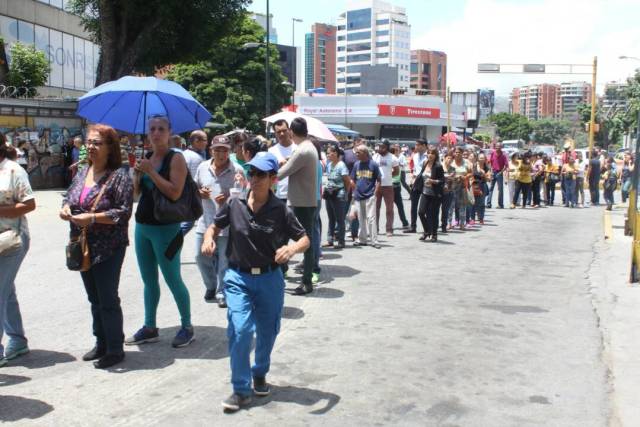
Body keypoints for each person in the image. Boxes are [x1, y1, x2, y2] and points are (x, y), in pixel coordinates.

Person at [201, 152, 310, 412]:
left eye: (261, 174)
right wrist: (209, 237)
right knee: (240, 330)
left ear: (273, 179)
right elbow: (214, 226)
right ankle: (240, 389)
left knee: (268, 330)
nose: (255, 178)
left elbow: (305, 239)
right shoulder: (234, 202)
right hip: (238, 276)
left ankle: (259, 372)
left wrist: (292, 250)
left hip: (270, 278)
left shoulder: (281, 210)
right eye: (252, 173)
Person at [60, 124, 133, 369]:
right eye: (89, 142)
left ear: (110, 147)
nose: (90, 147)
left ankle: (115, 348)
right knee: (93, 297)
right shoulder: (83, 171)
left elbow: (122, 213)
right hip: (83, 244)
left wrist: (91, 218)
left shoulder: (120, 175)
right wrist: (66, 208)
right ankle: (101, 342)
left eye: (96, 143)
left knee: (107, 297)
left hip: (109, 246)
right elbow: (70, 196)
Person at [127, 115, 194, 348]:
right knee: (149, 281)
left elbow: (175, 192)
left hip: (166, 228)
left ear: (169, 132)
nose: (156, 133)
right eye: (152, 129)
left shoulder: (176, 158)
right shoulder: (147, 157)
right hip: (143, 226)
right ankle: (150, 326)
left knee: (173, 278)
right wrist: (137, 174)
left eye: (161, 129)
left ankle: (187, 326)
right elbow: (138, 194)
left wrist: (152, 173)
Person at [194, 135, 244, 307]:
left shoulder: (237, 170)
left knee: (224, 260)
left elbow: (244, 197)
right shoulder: (202, 167)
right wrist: (200, 193)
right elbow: (194, 188)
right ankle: (211, 285)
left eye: (225, 150)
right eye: (218, 150)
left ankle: (222, 291)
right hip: (205, 219)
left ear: (229, 152)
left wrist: (230, 197)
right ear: (211, 151)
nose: (221, 154)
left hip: (226, 223)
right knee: (200, 256)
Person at [0, 136, 36, 368]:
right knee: (6, 290)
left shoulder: (13, 171)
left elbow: (30, 204)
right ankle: (18, 339)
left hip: (13, 239)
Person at [276, 118, 318, 295]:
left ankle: (306, 281)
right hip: (304, 201)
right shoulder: (309, 147)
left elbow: (282, 173)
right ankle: (281, 271)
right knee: (287, 237)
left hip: (301, 203)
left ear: (292, 132)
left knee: (305, 242)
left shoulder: (302, 150)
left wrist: (266, 174)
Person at [351, 144, 381, 248]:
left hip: (370, 195)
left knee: (371, 219)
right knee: (361, 219)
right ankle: (362, 239)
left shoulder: (373, 164)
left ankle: (374, 241)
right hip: (358, 196)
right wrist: (354, 191)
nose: (356, 154)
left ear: (365, 153)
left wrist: (375, 192)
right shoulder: (356, 164)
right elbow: (353, 179)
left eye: (358, 152)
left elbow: (379, 180)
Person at [180, 130, 208, 236]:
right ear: (196, 141)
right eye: (205, 140)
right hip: (190, 196)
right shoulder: (196, 158)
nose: (207, 142)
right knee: (188, 222)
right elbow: (196, 179)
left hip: (184, 195)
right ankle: (170, 244)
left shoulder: (185, 154)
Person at [323, 144, 350, 249]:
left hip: (339, 195)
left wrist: (346, 193)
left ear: (335, 153)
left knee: (340, 219)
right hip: (329, 194)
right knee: (331, 218)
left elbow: (347, 181)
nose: (328, 155)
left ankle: (341, 241)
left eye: (329, 152)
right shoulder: (329, 165)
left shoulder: (341, 165)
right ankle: (330, 240)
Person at [417, 147, 444, 242]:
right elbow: (421, 174)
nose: (430, 155)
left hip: (435, 194)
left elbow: (442, 181)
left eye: (432, 153)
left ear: (436, 155)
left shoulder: (438, 166)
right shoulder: (425, 163)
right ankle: (427, 231)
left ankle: (434, 234)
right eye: (428, 153)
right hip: (425, 192)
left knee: (432, 214)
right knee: (420, 212)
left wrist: (433, 181)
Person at [373, 140, 399, 237]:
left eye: (382, 147)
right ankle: (375, 229)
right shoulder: (375, 157)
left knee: (389, 209)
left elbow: (396, 171)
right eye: (379, 146)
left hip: (388, 186)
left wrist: (387, 176)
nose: (380, 148)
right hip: (376, 186)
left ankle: (389, 229)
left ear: (387, 147)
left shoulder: (393, 158)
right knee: (375, 208)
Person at [450, 146, 471, 230]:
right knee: (451, 206)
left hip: (462, 186)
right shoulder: (451, 162)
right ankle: (449, 223)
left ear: (462, 153)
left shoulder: (466, 162)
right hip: (451, 187)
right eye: (456, 152)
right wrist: (453, 176)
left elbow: (470, 173)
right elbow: (445, 171)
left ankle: (462, 223)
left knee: (462, 206)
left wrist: (464, 177)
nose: (457, 153)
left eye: (459, 152)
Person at [390, 146, 409, 230]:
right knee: (399, 206)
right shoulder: (395, 160)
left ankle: (390, 224)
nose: (398, 152)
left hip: (392, 184)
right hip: (395, 184)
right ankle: (404, 222)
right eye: (397, 151)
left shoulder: (390, 159)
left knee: (390, 206)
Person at [486, 142, 508, 208]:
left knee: (500, 189)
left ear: (501, 147)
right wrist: (490, 170)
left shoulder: (504, 155)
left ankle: (500, 204)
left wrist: (501, 172)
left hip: (499, 173)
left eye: (499, 147)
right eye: (496, 147)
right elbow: (489, 162)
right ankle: (488, 203)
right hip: (493, 172)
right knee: (491, 189)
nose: (497, 148)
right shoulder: (493, 153)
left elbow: (506, 166)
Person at [472, 152, 491, 224]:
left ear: (485, 159)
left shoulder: (486, 168)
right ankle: (472, 219)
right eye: (480, 158)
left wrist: (484, 174)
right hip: (474, 185)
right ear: (477, 159)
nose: (481, 160)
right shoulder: (473, 166)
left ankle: (481, 218)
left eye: (483, 158)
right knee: (473, 202)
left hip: (483, 186)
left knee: (481, 203)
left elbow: (489, 179)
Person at [441, 151, 455, 233]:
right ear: (444, 158)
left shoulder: (453, 169)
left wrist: (445, 177)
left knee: (445, 210)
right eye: (448, 158)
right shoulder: (440, 167)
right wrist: (447, 177)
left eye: (451, 158)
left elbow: (452, 179)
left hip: (449, 191)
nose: (449, 160)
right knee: (435, 209)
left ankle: (444, 225)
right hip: (439, 191)